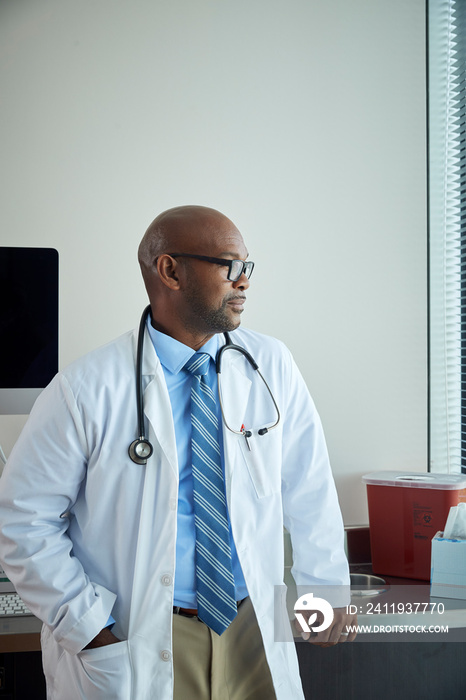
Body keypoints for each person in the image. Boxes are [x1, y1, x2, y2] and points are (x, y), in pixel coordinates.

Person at [0, 205, 356, 700]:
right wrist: (88, 626)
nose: (244, 282)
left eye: (247, 267)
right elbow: (23, 520)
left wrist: (326, 587)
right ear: (170, 270)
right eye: (229, 266)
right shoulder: (84, 390)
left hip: (253, 623)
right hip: (145, 633)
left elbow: (308, 484)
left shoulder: (269, 364)